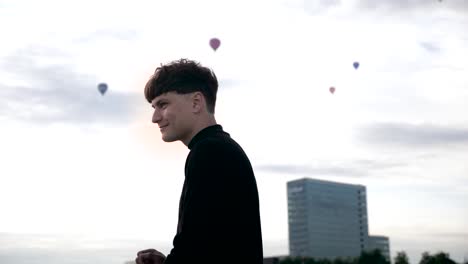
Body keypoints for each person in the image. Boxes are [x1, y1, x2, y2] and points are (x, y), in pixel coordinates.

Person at [135, 59, 263, 264]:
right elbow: (209, 246)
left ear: (196, 102)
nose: (154, 117)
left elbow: (193, 251)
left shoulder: (209, 151)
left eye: (163, 104)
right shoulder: (221, 149)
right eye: (153, 107)